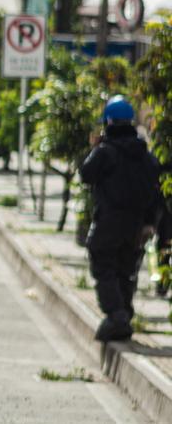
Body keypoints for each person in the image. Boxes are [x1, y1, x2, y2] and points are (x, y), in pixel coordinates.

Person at [81, 96, 163, 342]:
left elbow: (86, 174)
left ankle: (116, 315)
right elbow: (155, 190)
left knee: (103, 264)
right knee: (126, 269)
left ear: (108, 121)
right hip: (136, 222)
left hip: (109, 220)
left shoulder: (106, 152)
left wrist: (95, 147)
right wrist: (149, 222)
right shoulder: (145, 155)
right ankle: (124, 315)